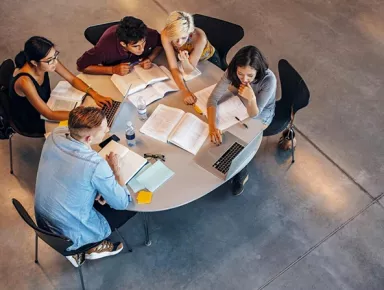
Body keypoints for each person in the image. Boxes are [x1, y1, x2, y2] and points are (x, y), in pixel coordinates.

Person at [35, 106, 135, 267]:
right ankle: (92, 246)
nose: (108, 129)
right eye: (104, 129)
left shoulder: (55, 134)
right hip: (70, 232)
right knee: (131, 208)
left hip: (43, 220)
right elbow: (122, 203)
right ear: (89, 139)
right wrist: (116, 171)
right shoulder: (95, 165)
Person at [207, 46, 277, 196]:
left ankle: (241, 171)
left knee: (237, 141)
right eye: (240, 74)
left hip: (260, 114)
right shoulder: (232, 72)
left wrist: (251, 98)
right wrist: (212, 126)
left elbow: (254, 114)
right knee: (219, 135)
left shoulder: (269, 80)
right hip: (239, 104)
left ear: (258, 71)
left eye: (250, 76)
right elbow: (213, 99)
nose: (244, 79)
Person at [9, 36, 112, 134]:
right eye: (50, 60)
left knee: (86, 107)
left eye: (55, 56)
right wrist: (83, 115)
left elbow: (72, 79)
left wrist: (94, 94)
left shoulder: (48, 61)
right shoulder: (24, 81)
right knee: (80, 130)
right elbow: (49, 114)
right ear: (34, 63)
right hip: (32, 117)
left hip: (47, 104)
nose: (55, 62)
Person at [161, 11, 223, 105]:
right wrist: (184, 91)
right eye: (175, 37)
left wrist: (185, 61)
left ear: (190, 33)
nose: (179, 43)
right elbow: (173, 67)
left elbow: (189, 70)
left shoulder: (199, 37)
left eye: (183, 38)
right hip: (186, 57)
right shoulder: (165, 34)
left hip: (208, 59)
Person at [77, 16, 163, 75]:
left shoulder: (148, 33)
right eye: (136, 46)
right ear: (123, 44)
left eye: (143, 43)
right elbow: (81, 66)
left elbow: (160, 43)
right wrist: (112, 70)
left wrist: (150, 58)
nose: (142, 49)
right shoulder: (104, 49)